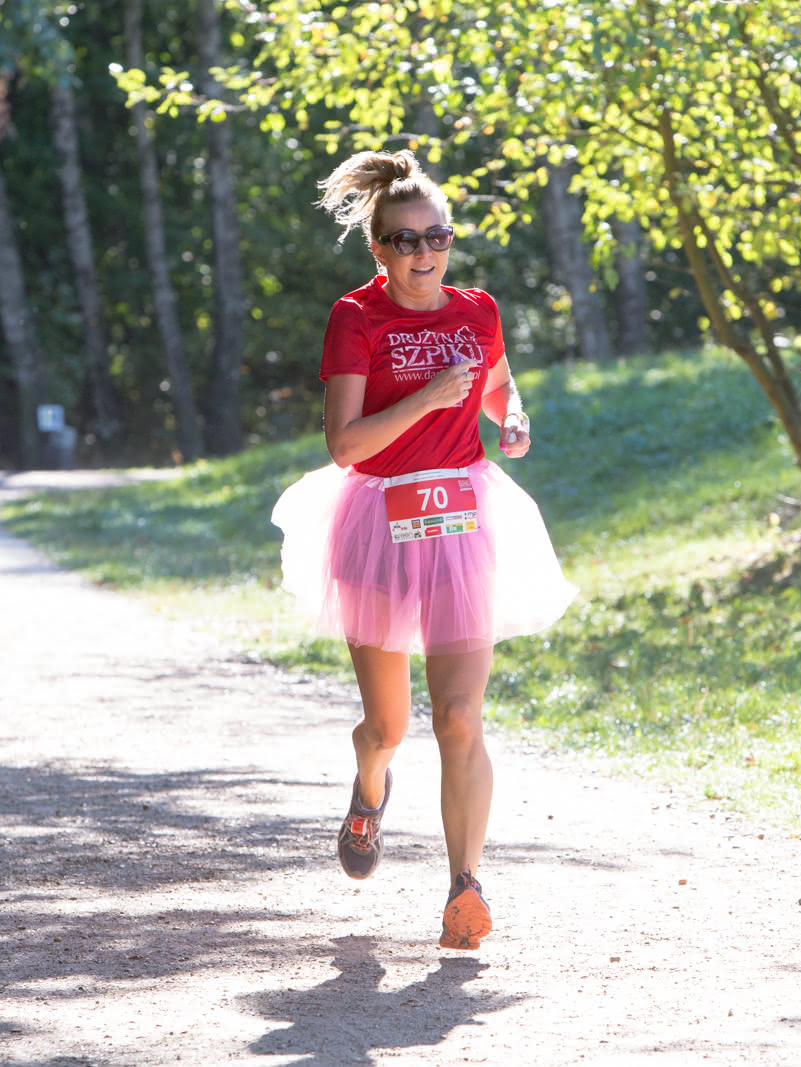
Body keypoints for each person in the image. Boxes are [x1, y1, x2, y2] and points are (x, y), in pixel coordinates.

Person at [271, 151, 576, 950]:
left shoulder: (477, 308)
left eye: (435, 236)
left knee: (460, 715)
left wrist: (512, 418)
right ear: (378, 249)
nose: (423, 253)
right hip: (377, 520)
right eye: (404, 241)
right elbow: (344, 443)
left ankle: (463, 887)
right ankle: (369, 788)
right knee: (388, 724)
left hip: (462, 518)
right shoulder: (355, 316)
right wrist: (430, 397)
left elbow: (499, 382)